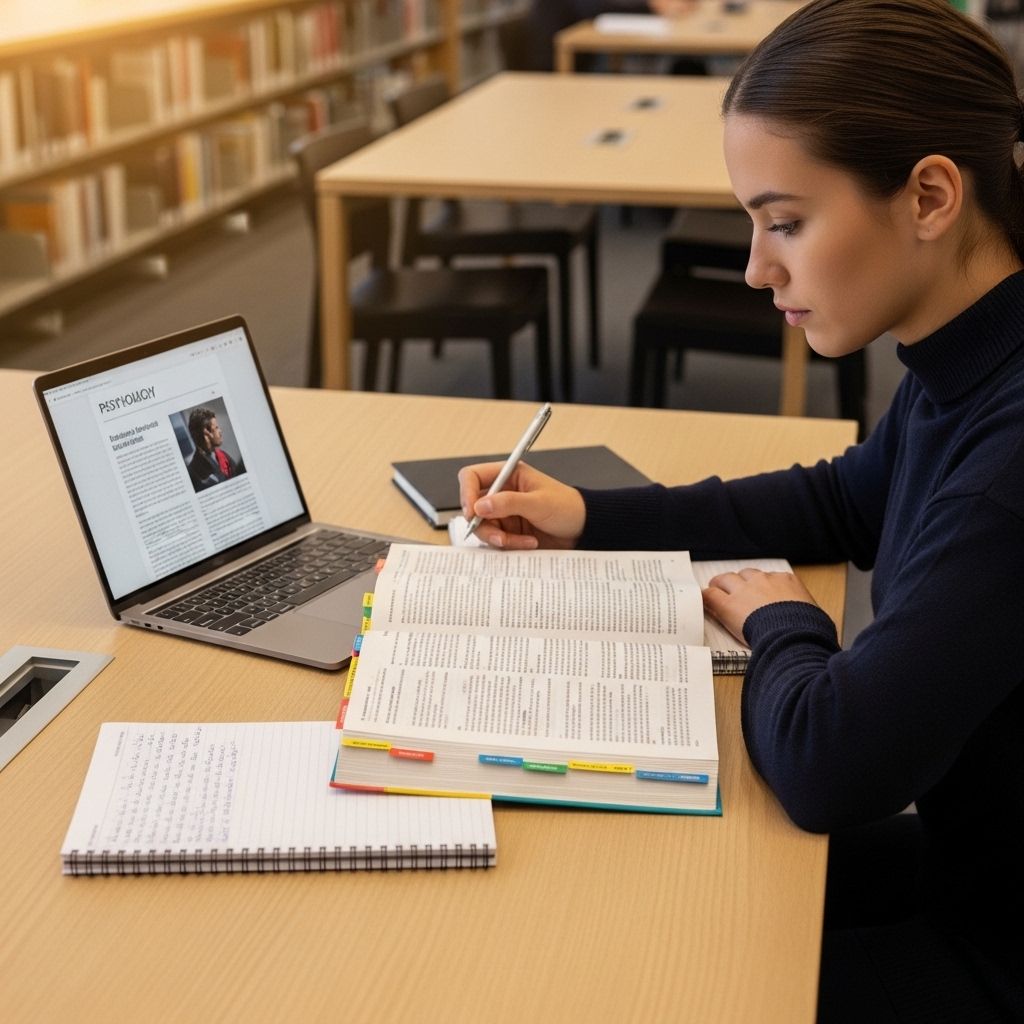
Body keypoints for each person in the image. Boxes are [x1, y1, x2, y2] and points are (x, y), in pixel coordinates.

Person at [458, 0, 1024, 1019]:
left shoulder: (1008, 454)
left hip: (1000, 947)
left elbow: (830, 762)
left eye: (786, 222)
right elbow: (840, 498)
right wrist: (586, 514)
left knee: (632, 979)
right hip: (974, 862)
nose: (759, 268)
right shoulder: (966, 359)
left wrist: (780, 624)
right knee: (636, 897)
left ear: (930, 195)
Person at [186, 406, 243, 491]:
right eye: (216, 427)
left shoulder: (223, 455)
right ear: (207, 432)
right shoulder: (194, 471)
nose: (220, 431)